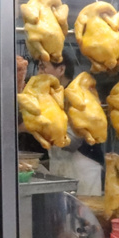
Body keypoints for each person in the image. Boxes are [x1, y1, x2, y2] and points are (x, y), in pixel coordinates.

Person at [36, 51, 104, 195]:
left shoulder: (77, 96)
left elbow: (73, 142)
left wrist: (35, 127)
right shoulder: (52, 98)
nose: (38, 73)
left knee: (85, 208)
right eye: (38, 68)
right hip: (61, 168)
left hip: (83, 169)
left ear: (61, 69)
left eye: (43, 67)